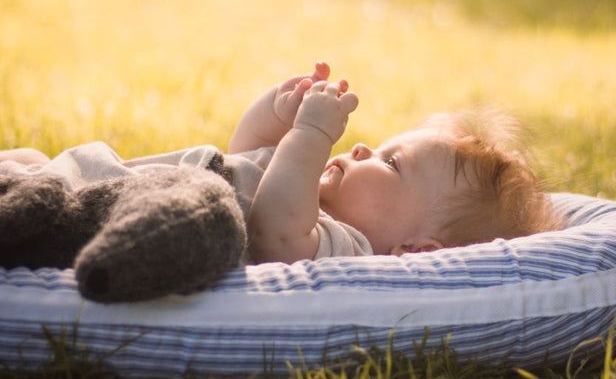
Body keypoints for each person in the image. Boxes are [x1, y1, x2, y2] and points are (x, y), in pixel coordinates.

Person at [0, 61, 561, 264]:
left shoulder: (344, 245)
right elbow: (242, 157)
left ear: (416, 249)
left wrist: (313, 135)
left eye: (391, 164)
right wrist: (278, 113)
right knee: (25, 160)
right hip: (87, 175)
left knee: (25, 192)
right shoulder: (305, 189)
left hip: (92, 212)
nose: (363, 148)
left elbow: (271, 232)